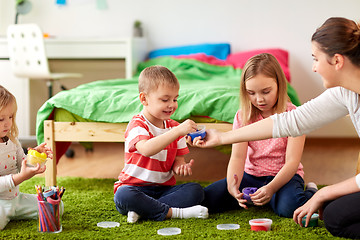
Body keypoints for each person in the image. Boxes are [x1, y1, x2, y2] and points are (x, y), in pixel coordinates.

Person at [191, 17, 360, 239]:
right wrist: (222, 137)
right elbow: (290, 122)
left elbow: (290, 130)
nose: (314, 68)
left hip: (284, 180)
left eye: (315, 58)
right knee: (332, 215)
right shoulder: (345, 92)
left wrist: (324, 192)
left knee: (315, 206)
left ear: (337, 60)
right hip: (253, 176)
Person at [201, 53, 317, 218]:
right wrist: (232, 186)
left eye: (266, 91)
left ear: (279, 85)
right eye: (251, 93)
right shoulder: (243, 116)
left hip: (284, 177)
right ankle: (264, 199)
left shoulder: (294, 115)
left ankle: (311, 191)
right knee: (208, 198)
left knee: (289, 208)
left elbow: (292, 162)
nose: (259, 99)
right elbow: (237, 158)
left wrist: (271, 188)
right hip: (251, 176)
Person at [113, 65, 208, 223]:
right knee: (123, 195)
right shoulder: (138, 124)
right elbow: (146, 149)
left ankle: (144, 210)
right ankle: (176, 213)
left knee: (195, 190)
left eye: (175, 99)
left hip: (163, 190)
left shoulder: (174, 128)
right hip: (134, 188)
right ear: (144, 99)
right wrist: (177, 132)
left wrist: (181, 168)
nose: (172, 104)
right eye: (165, 100)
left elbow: (178, 162)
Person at [0, 85, 54, 230]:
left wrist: (35, 155)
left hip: (16, 200)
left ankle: (12, 214)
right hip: (1, 202)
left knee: (55, 207)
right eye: (1, 119)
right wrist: (20, 178)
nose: (7, 123)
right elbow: (20, 175)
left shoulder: (13, 141)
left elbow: (22, 164)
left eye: (10, 117)